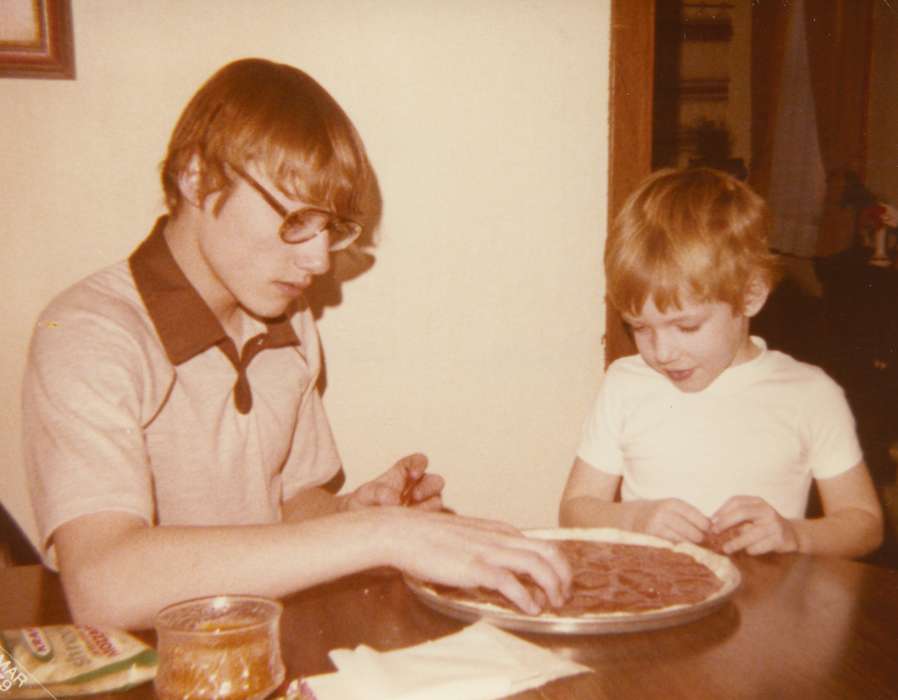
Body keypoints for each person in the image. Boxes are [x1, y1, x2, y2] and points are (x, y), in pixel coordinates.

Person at [22, 58, 570, 630]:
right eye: (296, 220)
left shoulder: (286, 318)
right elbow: (102, 585)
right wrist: (376, 535)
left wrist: (345, 513)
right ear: (197, 177)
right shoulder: (87, 333)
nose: (317, 259)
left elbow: (290, 501)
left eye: (331, 229)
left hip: (261, 646)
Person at [559, 167, 883, 558]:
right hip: (655, 602)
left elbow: (864, 524)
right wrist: (634, 519)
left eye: (687, 325)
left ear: (750, 297)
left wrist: (795, 536)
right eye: (639, 327)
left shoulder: (810, 394)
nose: (661, 352)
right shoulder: (625, 384)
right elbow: (575, 508)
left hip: (766, 610)